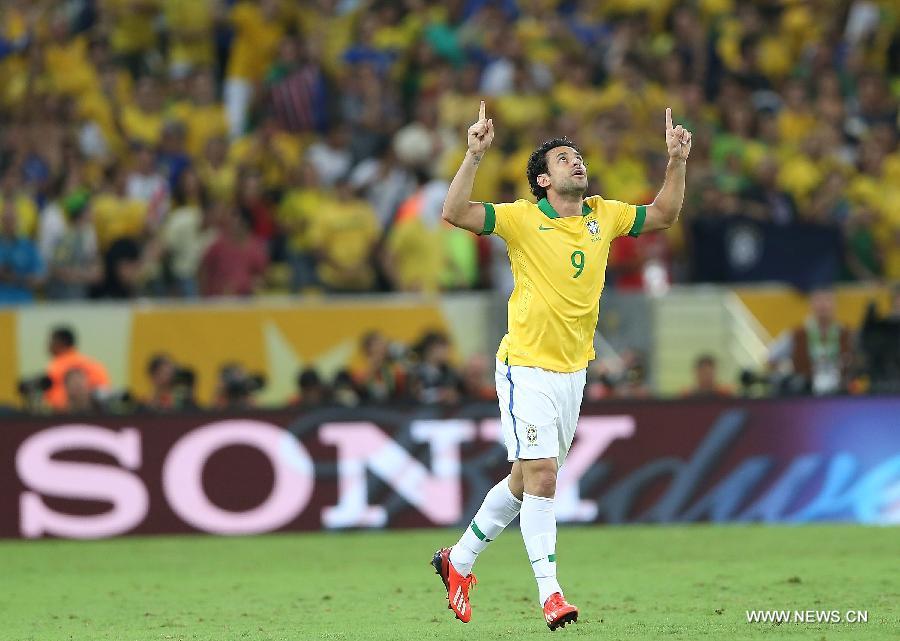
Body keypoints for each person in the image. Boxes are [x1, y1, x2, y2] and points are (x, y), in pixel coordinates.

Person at [433, 101, 691, 629]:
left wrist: (676, 163)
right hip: (525, 365)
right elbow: (455, 212)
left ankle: (456, 562)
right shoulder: (521, 219)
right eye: (564, 159)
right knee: (544, 476)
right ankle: (551, 595)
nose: (578, 164)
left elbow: (663, 215)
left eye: (578, 157)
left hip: (574, 371)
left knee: (524, 482)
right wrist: (474, 155)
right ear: (543, 179)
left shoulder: (605, 213)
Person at [45, 326, 110, 411]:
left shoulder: (57, 366)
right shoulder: (93, 364)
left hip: (65, 414)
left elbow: (54, 398)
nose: (48, 346)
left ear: (59, 343)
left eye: (51, 341)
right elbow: (105, 390)